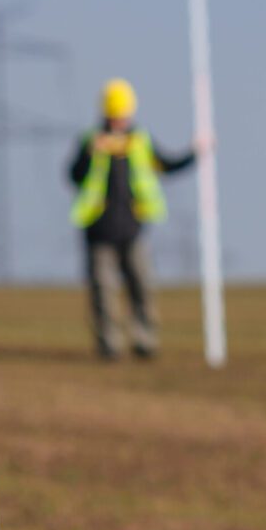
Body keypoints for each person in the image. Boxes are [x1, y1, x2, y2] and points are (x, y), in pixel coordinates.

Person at [67, 80, 198, 360]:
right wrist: (92, 153)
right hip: (98, 229)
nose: (119, 120)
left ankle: (145, 340)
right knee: (103, 291)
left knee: (142, 286)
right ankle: (109, 345)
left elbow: (165, 165)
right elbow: (73, 176)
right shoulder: (90, 140)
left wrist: (195, 153)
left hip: (133, 229)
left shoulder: (140, 141)